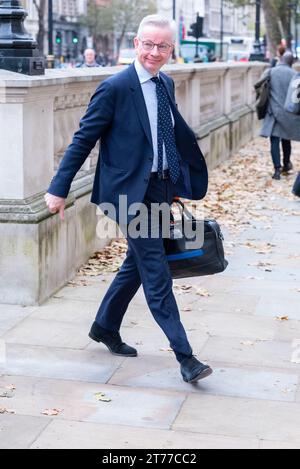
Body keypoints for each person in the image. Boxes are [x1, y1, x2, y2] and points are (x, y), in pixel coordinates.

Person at [44, 15, 212, 383]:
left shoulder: (165, 81)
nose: (154, 52)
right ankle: (186, 357)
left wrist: (175, 187)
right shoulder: (115, 87)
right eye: (148, 44)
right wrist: (59, 188)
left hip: (159, 187)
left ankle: (105, 325)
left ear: (171, 49)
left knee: (137, 263)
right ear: (136, 44)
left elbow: (167, 138)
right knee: (156, 270)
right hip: (126, 194)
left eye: (162, 46)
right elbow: (82, 140)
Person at [260, 51, 300, 180]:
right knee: (286, 140)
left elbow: (259, 85)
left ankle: (276, 169)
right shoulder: (295, 75)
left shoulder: (271, 72)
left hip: (273, 111)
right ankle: (286, 164)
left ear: (281, 59)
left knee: (274, 141)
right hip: (288, 113)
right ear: (291, 62)